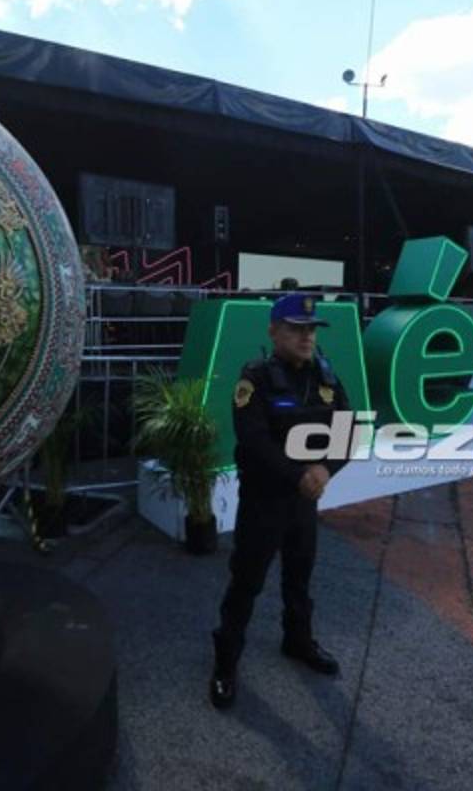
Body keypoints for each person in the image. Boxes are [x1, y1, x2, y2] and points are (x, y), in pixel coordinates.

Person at [210, 293, 352, 710]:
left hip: (305, 501)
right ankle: (225, 661)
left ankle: (298, 641)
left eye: (311, 329)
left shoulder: (325, 377)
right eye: (296, 328)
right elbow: (254, 441)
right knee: (247, 582)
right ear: (274, 331)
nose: (306, 336)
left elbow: (346, 429)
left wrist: (325, 470)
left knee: (299, 577)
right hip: (264, 502)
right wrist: (300, 475)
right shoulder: (254, 378)